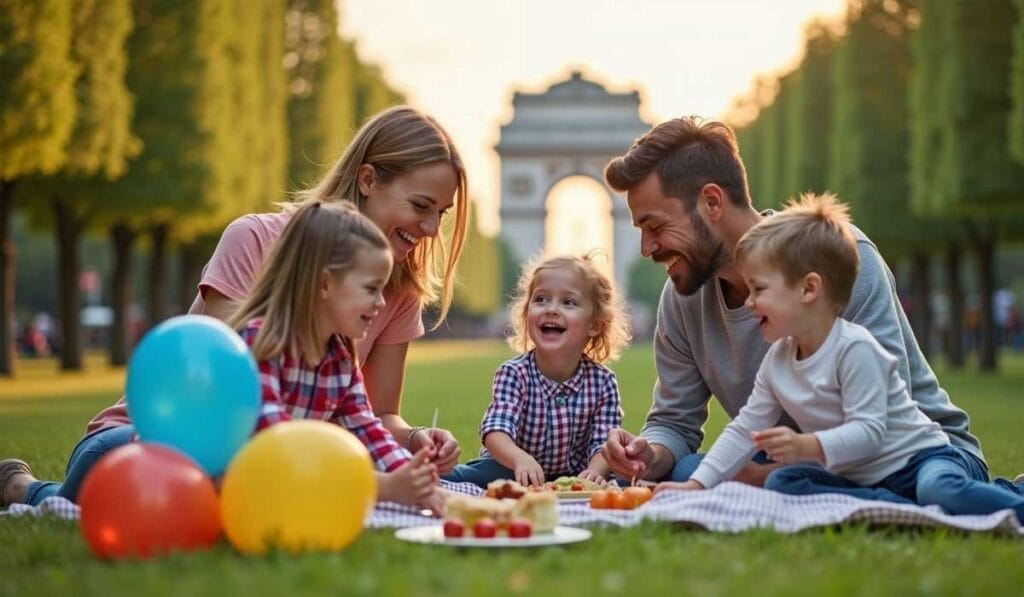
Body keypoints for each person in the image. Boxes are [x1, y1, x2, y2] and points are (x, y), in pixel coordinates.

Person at [30, 106, 466, 490]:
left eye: (440, 214)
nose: (430, 229)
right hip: (151, 441)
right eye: (420, 206)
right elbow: (225, 402)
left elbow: (375, 417)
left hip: (268, 460)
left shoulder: (398, 288)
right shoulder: (255, 240)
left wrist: (414, 440)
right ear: (368, 179)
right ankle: (29, 491)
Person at [599, 116, 994, 488]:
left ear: (712, 203)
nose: (647, 247)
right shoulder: (682, 296)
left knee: (750, 478)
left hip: (910, 459)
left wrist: (761, 476)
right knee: (687, 468)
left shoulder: (835, 257)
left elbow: (881, 420)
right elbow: (675, 422)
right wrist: (648, 455)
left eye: (656, 227)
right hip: (799, 468)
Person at [657, 194, 1024, 522]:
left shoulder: (856, 349)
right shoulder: (779, 360)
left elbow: (869, 432)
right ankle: (892, 505)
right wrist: (697, 485)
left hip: (920, 460)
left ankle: (999, 500)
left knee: (940, 490)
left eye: (760, 289)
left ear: (809, 289)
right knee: (786, 481)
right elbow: (744, 429)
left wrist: (808, 448)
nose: (748, 302)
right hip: (860, 475)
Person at [225, 201, 443, 512]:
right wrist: (386, 487)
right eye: (371, 289)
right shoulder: (261, 344)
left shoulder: (339, 358)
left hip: (292, 480)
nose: (381, 303)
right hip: (240, 483)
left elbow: (367, 429)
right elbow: (279, 444)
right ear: (326, 283)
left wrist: (411, 476)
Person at [444, 253, 631, 488]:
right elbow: (496, 430)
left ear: (594, 324)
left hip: (576, 472)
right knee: (464, 476)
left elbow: (604, 442)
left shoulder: (603, 382)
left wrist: (594, 473)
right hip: (511, 469)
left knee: (626, 480)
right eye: (541, 299)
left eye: (568, 302)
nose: (551, 309)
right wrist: (520, 459)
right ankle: (410, 476)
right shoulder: (514, 374)